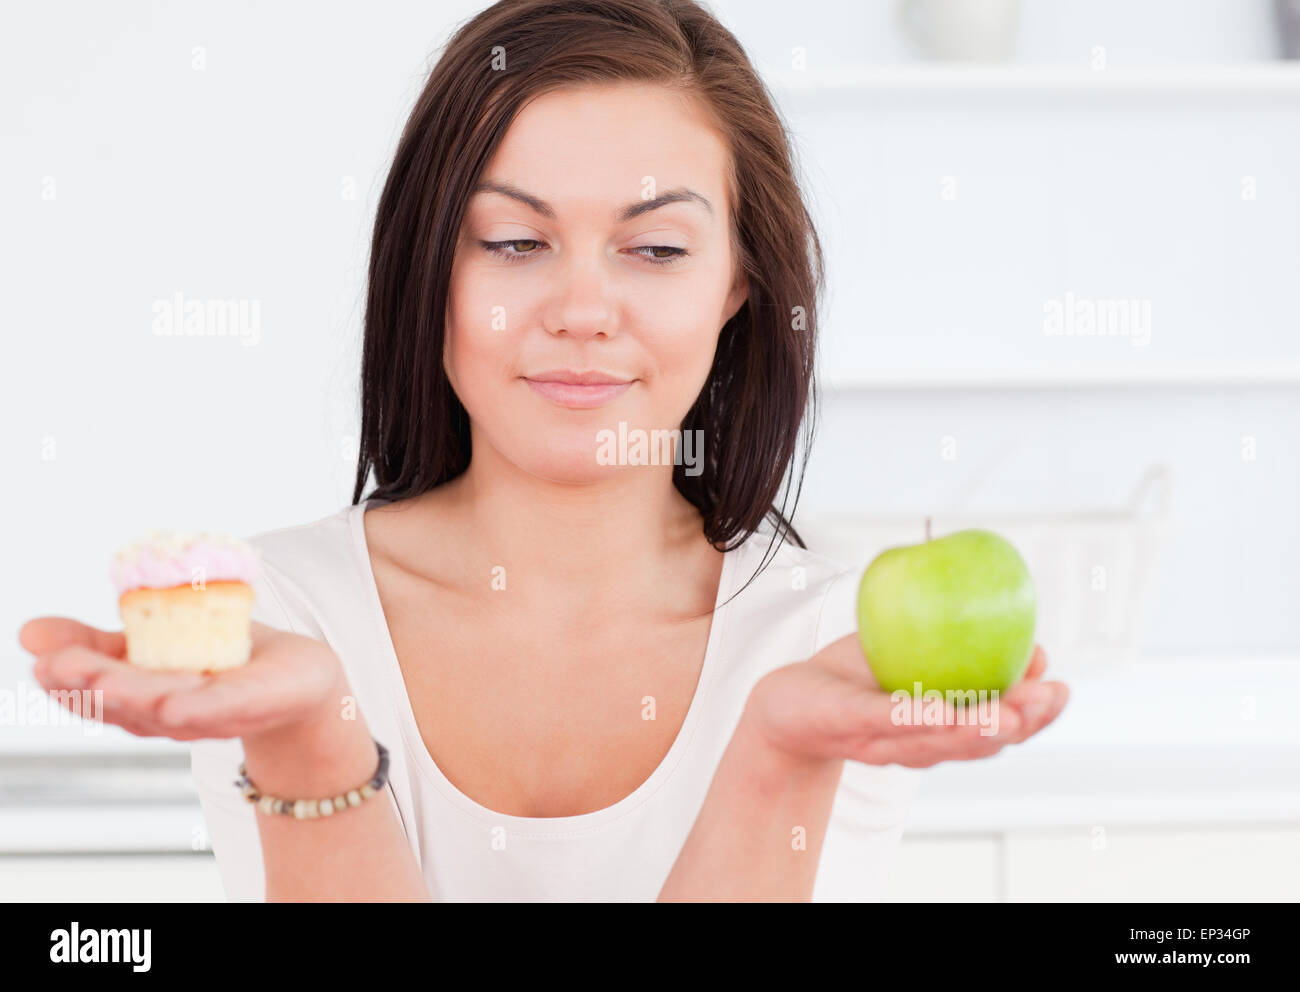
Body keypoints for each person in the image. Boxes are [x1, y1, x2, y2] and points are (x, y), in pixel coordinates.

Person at [21, 0, 1068, 902]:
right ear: (430, 265)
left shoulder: (834, 650)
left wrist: (774, 755)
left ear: (736, 286)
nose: (580, 310)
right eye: (514, 242)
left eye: (655, 248)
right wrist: (310, 740)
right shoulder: (279, 625)